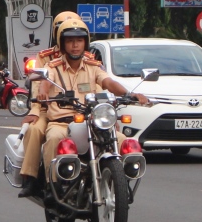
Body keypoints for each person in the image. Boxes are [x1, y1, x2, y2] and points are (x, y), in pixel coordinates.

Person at [40, 18, 147, 197]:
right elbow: (45, 80)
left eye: (79, 41)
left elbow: (108, 82)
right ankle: (53, 185)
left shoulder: (93, 66)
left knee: (121, 139)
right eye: (70, 41)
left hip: (92, 122)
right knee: (53, 138)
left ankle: (121, 181)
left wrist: (129, 94)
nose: (75, 45)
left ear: (85, 43)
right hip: (62, 122)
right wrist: (43, 93)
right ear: (62, 43)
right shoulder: (53, 66)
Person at [18, 10, 91, 197]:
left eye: (78, 38)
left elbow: (100, 84)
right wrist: (36, 108)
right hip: (47, 107)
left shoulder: (88, 59)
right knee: (34, 129)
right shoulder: (46, 57)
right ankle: (32, 178)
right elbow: (38, 86)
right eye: (66, 35)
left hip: (81, 109)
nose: (74, 43)